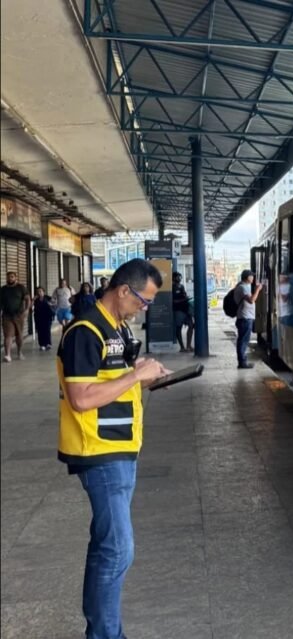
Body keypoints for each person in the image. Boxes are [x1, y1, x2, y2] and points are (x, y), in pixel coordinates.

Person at [57, 258, 170, 639]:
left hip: (120, 446)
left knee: (107, 544)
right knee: (118, 549)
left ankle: (105, 631)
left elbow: (113, 381)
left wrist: (143, 377)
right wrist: (136, 374)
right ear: (123, 290)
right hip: (98, 451)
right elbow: (81, 398)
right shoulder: (84, 331)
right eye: (143, 299)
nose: (145, 307)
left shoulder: (116, 328)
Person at [233, 269, 262, 369]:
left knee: (243, 340)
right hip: (245, 318)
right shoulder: (242, 288)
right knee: (243, 341)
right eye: (252, 276)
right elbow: (251, 300)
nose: (253, 278)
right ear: (247, 277)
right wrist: (258, 289)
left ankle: (242, 361)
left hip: (245, 317)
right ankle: (242, 362)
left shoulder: (243, 286)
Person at [1, 271, 31, 362]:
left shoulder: (21, 288)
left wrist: (27, 310)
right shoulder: (3, 289)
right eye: (8, 277)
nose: (10, 278)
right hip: (6, 315)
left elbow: (27, 299)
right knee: (8, 335)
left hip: (19, 315)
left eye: (12, 277)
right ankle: (7, 355)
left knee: (19, 336)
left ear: (15, 278)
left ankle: (19, 352)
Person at [172, 272, 193, 352]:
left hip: (186, 309)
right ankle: (182, 347)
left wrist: (186, 298)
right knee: (179, 327)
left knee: (191, 325)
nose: (179, 279)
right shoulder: (172, 288)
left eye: (179, 277)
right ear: (173, 278)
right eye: (177, 277)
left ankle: (188, 346)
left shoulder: (182, 286)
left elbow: (184, 295)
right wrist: (184, 299)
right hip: (178, 310)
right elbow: (174, 301)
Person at [33, 286, 55, 351]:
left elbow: (54, 302)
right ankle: (42, 344)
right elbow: (30, 306)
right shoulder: (35, 299)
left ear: (43, 292)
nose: (39, 293)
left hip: (47, 317)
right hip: (39, 317)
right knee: (40, 331)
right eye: (38, 292)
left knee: (47, 330)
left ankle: (48, 343)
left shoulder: (47, 297)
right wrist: (33, 300)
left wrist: (50, 304)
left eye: (40, 291)